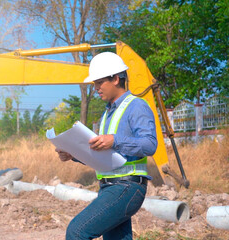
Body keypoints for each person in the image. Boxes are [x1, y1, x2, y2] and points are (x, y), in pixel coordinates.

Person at [56, 52, 157, 240]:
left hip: (126, 187)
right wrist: (73, 154)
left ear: (116, 79)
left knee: (77, 232)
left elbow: (150, 144)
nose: (96, 88)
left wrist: (115, 140)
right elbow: (103, 157)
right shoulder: (107, 114)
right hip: (110, 188)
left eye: (99, 82)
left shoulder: (136, 106)